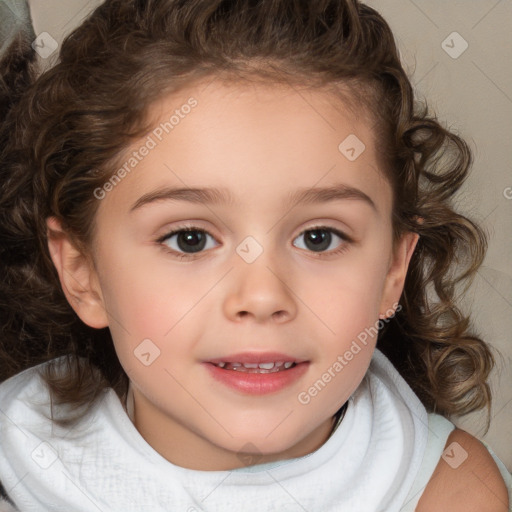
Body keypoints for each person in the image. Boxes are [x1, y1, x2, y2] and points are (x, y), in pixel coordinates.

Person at [0, 0, 510, 510]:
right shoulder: (16, 464)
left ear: (392, 272)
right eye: (190, 239)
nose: (262, 297)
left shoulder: (449, 491)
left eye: (319, 238)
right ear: (81, 272)